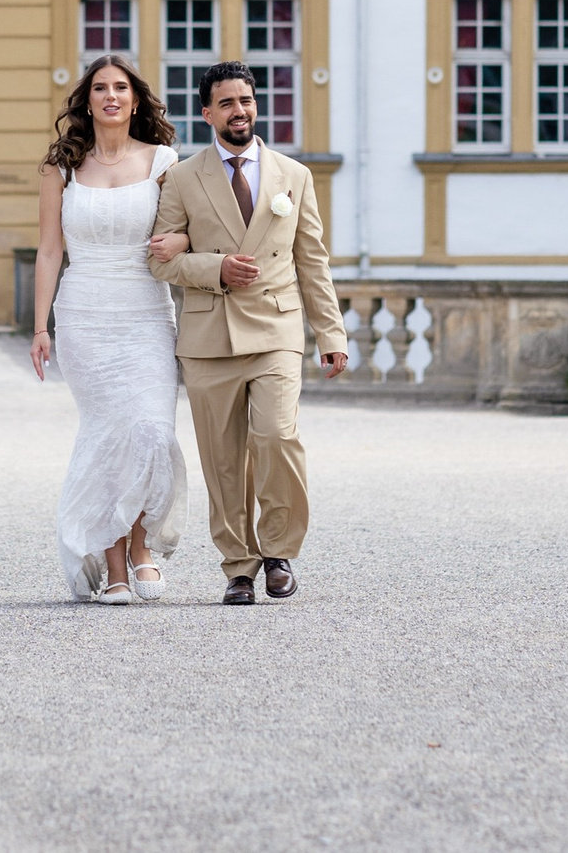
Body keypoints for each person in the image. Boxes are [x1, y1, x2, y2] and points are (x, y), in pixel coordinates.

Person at [149, 61, 348, 605]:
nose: (240, 111)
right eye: (228, 103)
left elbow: (313, 261)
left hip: (276, 328)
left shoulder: (294, 176)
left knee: (277, 436)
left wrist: (331, 334)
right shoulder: (182, 178)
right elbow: (160, 261)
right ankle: (239, 567)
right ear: (207, 113)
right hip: (209, 336)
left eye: (247, 100)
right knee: (223, 460)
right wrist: (215, 268)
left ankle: (279, 552)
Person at [32, 54, 194, 603]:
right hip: (84, 316)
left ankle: (142, 548)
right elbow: (49, 251)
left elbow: (190, 228)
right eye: (100, 88)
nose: (111, 96)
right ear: (87, 101)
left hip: (146, 313)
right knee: (108, 437)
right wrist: (40, 327)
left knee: (150, 431)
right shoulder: (60, 167)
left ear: (135, 99)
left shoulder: (163, 161)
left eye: (121, 87)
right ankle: (115, 563)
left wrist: (182, 241)